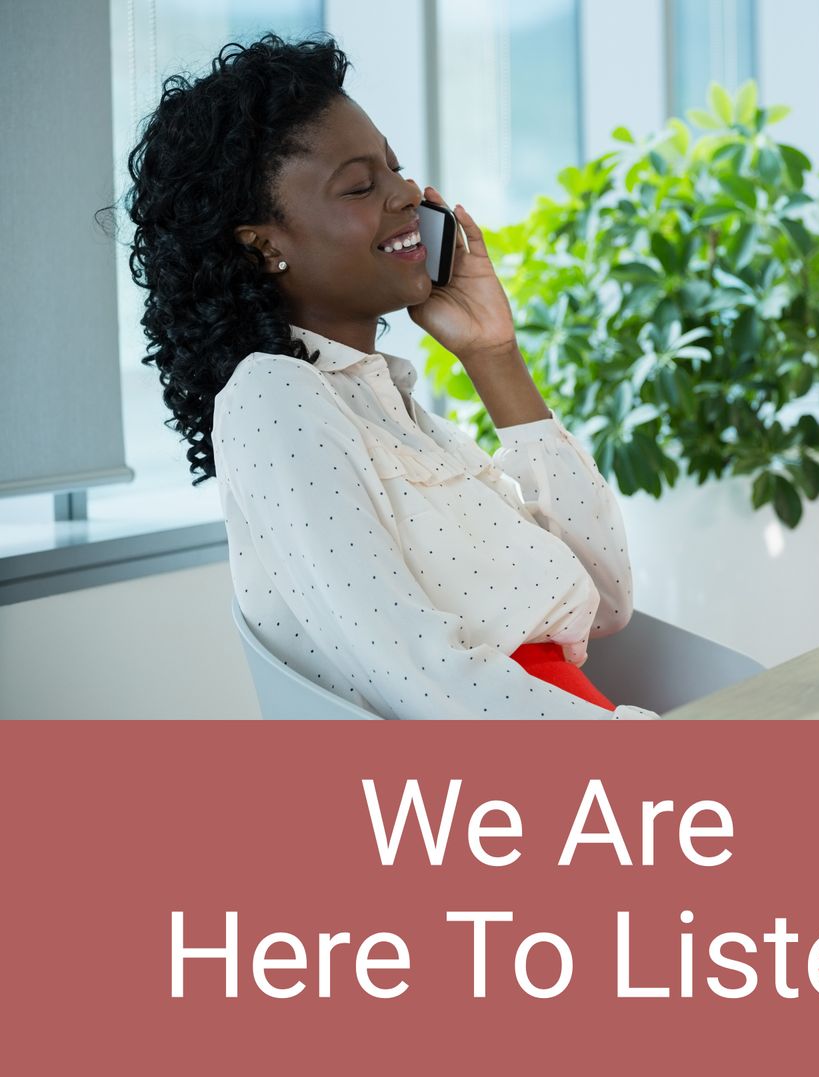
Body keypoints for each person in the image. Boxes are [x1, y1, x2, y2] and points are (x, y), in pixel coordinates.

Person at [123, 33, 658, 719]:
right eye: (360, 185)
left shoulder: (393, 412)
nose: (407, 193)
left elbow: (607, 600)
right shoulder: (274, 399)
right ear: (263, 246)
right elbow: (414, 677)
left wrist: (494, 357)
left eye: (397, 168)